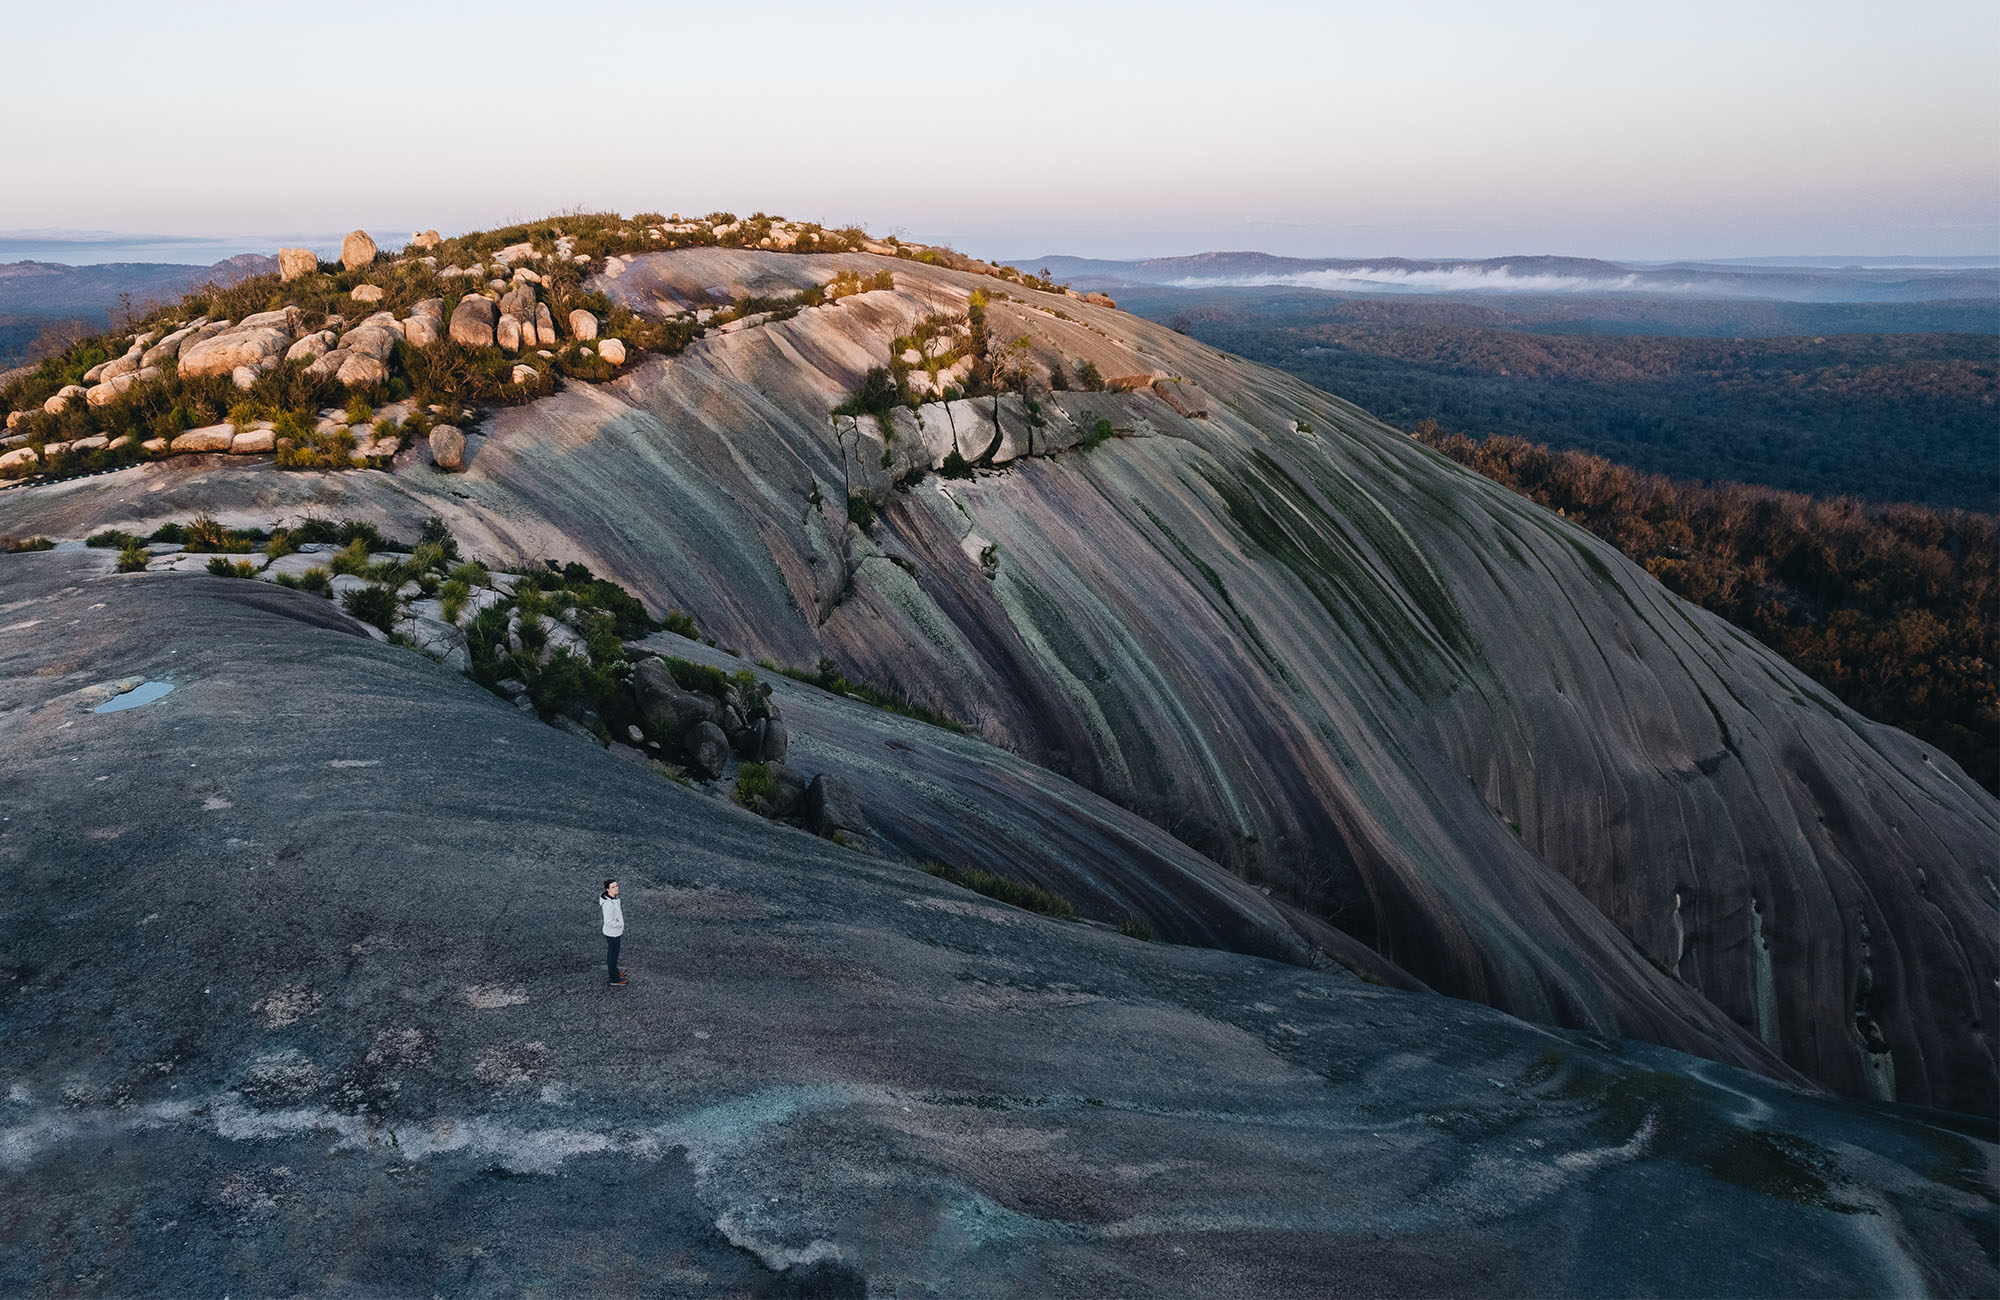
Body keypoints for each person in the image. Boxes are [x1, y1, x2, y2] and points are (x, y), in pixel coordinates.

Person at [600, 879, 627, 986]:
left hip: (614, 932)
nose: (616, 888)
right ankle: (614, 979)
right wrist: (619, 925)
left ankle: (614, 972)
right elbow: (608, 921)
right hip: (613, 933)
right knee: (613, 956)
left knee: (612, 954)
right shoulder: (608, 904)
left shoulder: (613, 898)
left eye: (616, 886)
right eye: (613, 887)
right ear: (607, 889)